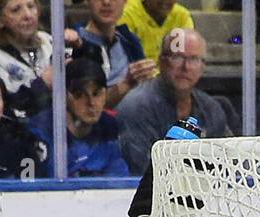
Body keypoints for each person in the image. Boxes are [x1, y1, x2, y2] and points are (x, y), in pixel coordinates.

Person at [115, 26, 228, 174]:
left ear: (203, 66)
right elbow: (141, 174)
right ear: (161, 62)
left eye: (193, 59)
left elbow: (220, 172)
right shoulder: (136, 107)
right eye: (177, 57)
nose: (185, 67)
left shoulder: (212, 110)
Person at [0, 0, 76, 120]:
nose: (28, 15)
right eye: (16, 10)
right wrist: (42, 84)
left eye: (31, 6)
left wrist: (79, 48)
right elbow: (5, 107)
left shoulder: (47, 40)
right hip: (17, 131)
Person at [28, 55, 128, 177]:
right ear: (63, 96)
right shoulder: (40, 130)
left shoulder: (108, 126)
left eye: (96, 94)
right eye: (79, 95)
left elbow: (118, 180)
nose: (91, 103)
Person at [74, 0, 154, 108]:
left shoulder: (130, 40)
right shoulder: (72, 45)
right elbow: (88, 106)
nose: (106, 2)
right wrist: (127, 83)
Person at [117, 0, 191, 62]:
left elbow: (185, 55)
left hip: (171, 75)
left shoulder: (182, 16)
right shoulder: (126, 14)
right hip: (138, 75)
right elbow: (127, 59)